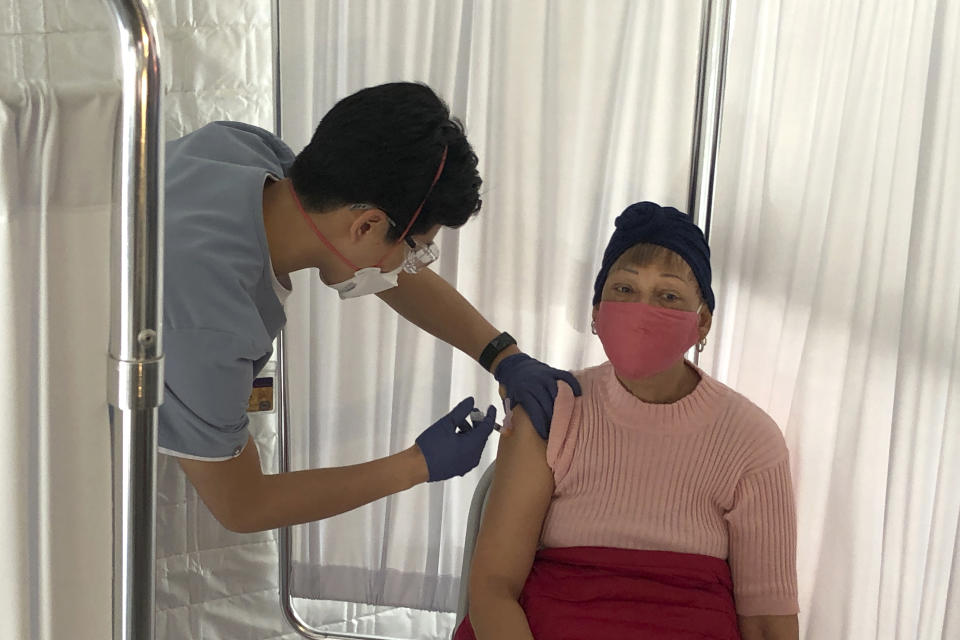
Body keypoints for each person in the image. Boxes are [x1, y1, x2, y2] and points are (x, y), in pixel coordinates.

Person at [161, 81, 579, 533]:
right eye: (416, 250)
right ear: (367, 225)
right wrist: (418, 464)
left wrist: (501, 354)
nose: (407, 267)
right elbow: (243, 505)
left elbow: (377, 265)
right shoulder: (211, 322)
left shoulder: (239, 151)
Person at [458, 202, 799, 640]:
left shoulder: (751, 440)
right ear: (596, 312)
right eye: (623, 289)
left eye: (669, 296)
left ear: (703, 322)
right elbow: (493, 588)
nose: (642, 310)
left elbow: (769, 623)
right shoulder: (552, 411)